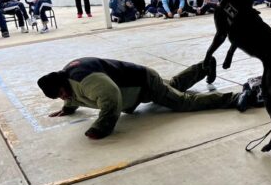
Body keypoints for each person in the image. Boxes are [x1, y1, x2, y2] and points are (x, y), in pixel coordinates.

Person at [37, 57, 252, 140]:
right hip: (142, 84)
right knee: (172, 87)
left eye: (61, 93)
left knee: (183, 102)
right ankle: (203, 67)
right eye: (60, 97)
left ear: (62, 84)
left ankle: (235, 98)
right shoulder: (67, 78)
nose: (63, 97)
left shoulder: (85, 79)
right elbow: (73, 95)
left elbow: (111, 97)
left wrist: (101, 127)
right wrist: (68, 108)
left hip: (144, 82)